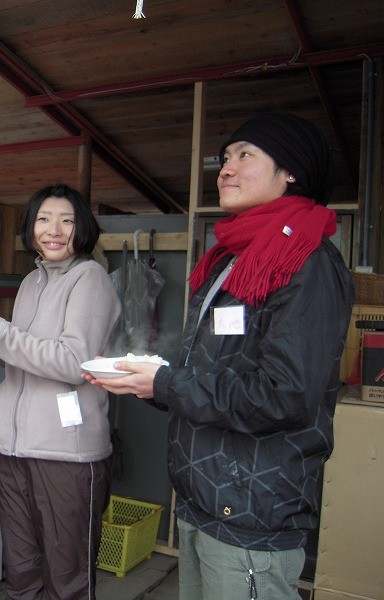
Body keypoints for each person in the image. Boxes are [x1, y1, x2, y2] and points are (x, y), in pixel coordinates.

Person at [85, 113, 355, 599]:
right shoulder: (233, 259)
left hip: (253, 512)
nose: (225, 169)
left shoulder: (306, 262)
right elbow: (211, 376)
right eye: (225, 158)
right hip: (204, 499)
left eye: (244, 155)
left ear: (290, 171)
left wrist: (166, 384)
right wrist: (146, 381)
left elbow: (284, 395)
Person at [0, 184, 120, 599]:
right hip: (14, 449)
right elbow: (22, 361)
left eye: (67, 220)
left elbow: (73, 363)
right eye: (43, 219)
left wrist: (0, 331)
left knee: (67, 577)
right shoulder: (30, 282)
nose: (53, 230)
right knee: (21, 573)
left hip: (66, 454)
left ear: (83, 229)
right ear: (31, 227)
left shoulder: (89, 278)